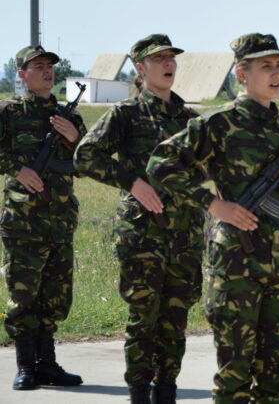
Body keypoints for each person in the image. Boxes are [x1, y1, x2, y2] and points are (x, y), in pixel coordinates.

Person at [146, 33, 279, 403]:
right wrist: (213, 204)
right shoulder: (218, 124)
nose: (276, 74)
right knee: (235, 372)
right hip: (238, 266)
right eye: (265, 67)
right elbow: (161, 164)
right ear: (241, 74)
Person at [74, 34, 201, 404]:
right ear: (140, 68)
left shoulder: (190, 119)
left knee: (176, 320)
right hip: (142, 234)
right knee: (143, 319)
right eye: (158, 59)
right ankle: (140, 393)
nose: (168, 64)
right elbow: (86, 157)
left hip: (185, 235)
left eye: (171, 58)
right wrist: (131, 182)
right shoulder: (125, 115)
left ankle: (167, 390)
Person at [0, 44, 86, 391]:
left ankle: (48, 364)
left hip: (60, 220)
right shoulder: (10, 113)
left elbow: (88, 160)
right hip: (22, 221)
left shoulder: (68, 117)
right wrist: (17, 169)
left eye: (50, 66)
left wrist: (75, 137)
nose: (47, 71)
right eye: (37, 66)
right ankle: (25, 366)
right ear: (22, 75)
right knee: (24, 295)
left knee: (55, 295)